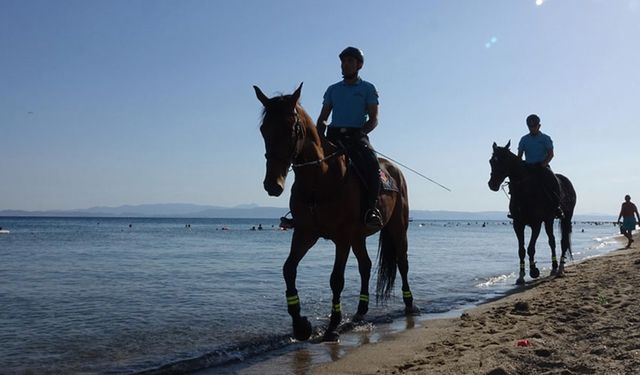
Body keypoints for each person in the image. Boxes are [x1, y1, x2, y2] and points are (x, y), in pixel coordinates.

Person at [316, 46, 382, 229]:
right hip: (334, 135)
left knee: (372, 164)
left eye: (350, 61)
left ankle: (371, 209)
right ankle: (301, 210)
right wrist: (318, 136)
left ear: (359, 65)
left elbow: (374, 119)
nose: (345, 65)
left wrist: (361, 134)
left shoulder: (368, 88)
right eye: (343, 61)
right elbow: (323, 118)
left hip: (357, 135)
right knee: (309, 162)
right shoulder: (332, 89)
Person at [517, 114, 563, 218]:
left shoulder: (545, 138)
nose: (532, 129)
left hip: (542, 167)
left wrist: (543, 164)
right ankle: (516, 208)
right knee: (516, 184)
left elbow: (551, 154)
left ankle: (557, 207)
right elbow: (519, 156)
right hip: (528, 167)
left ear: (539, 126)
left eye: (534, 126)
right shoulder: (524, 139)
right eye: (530, 127)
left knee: (552, 182)